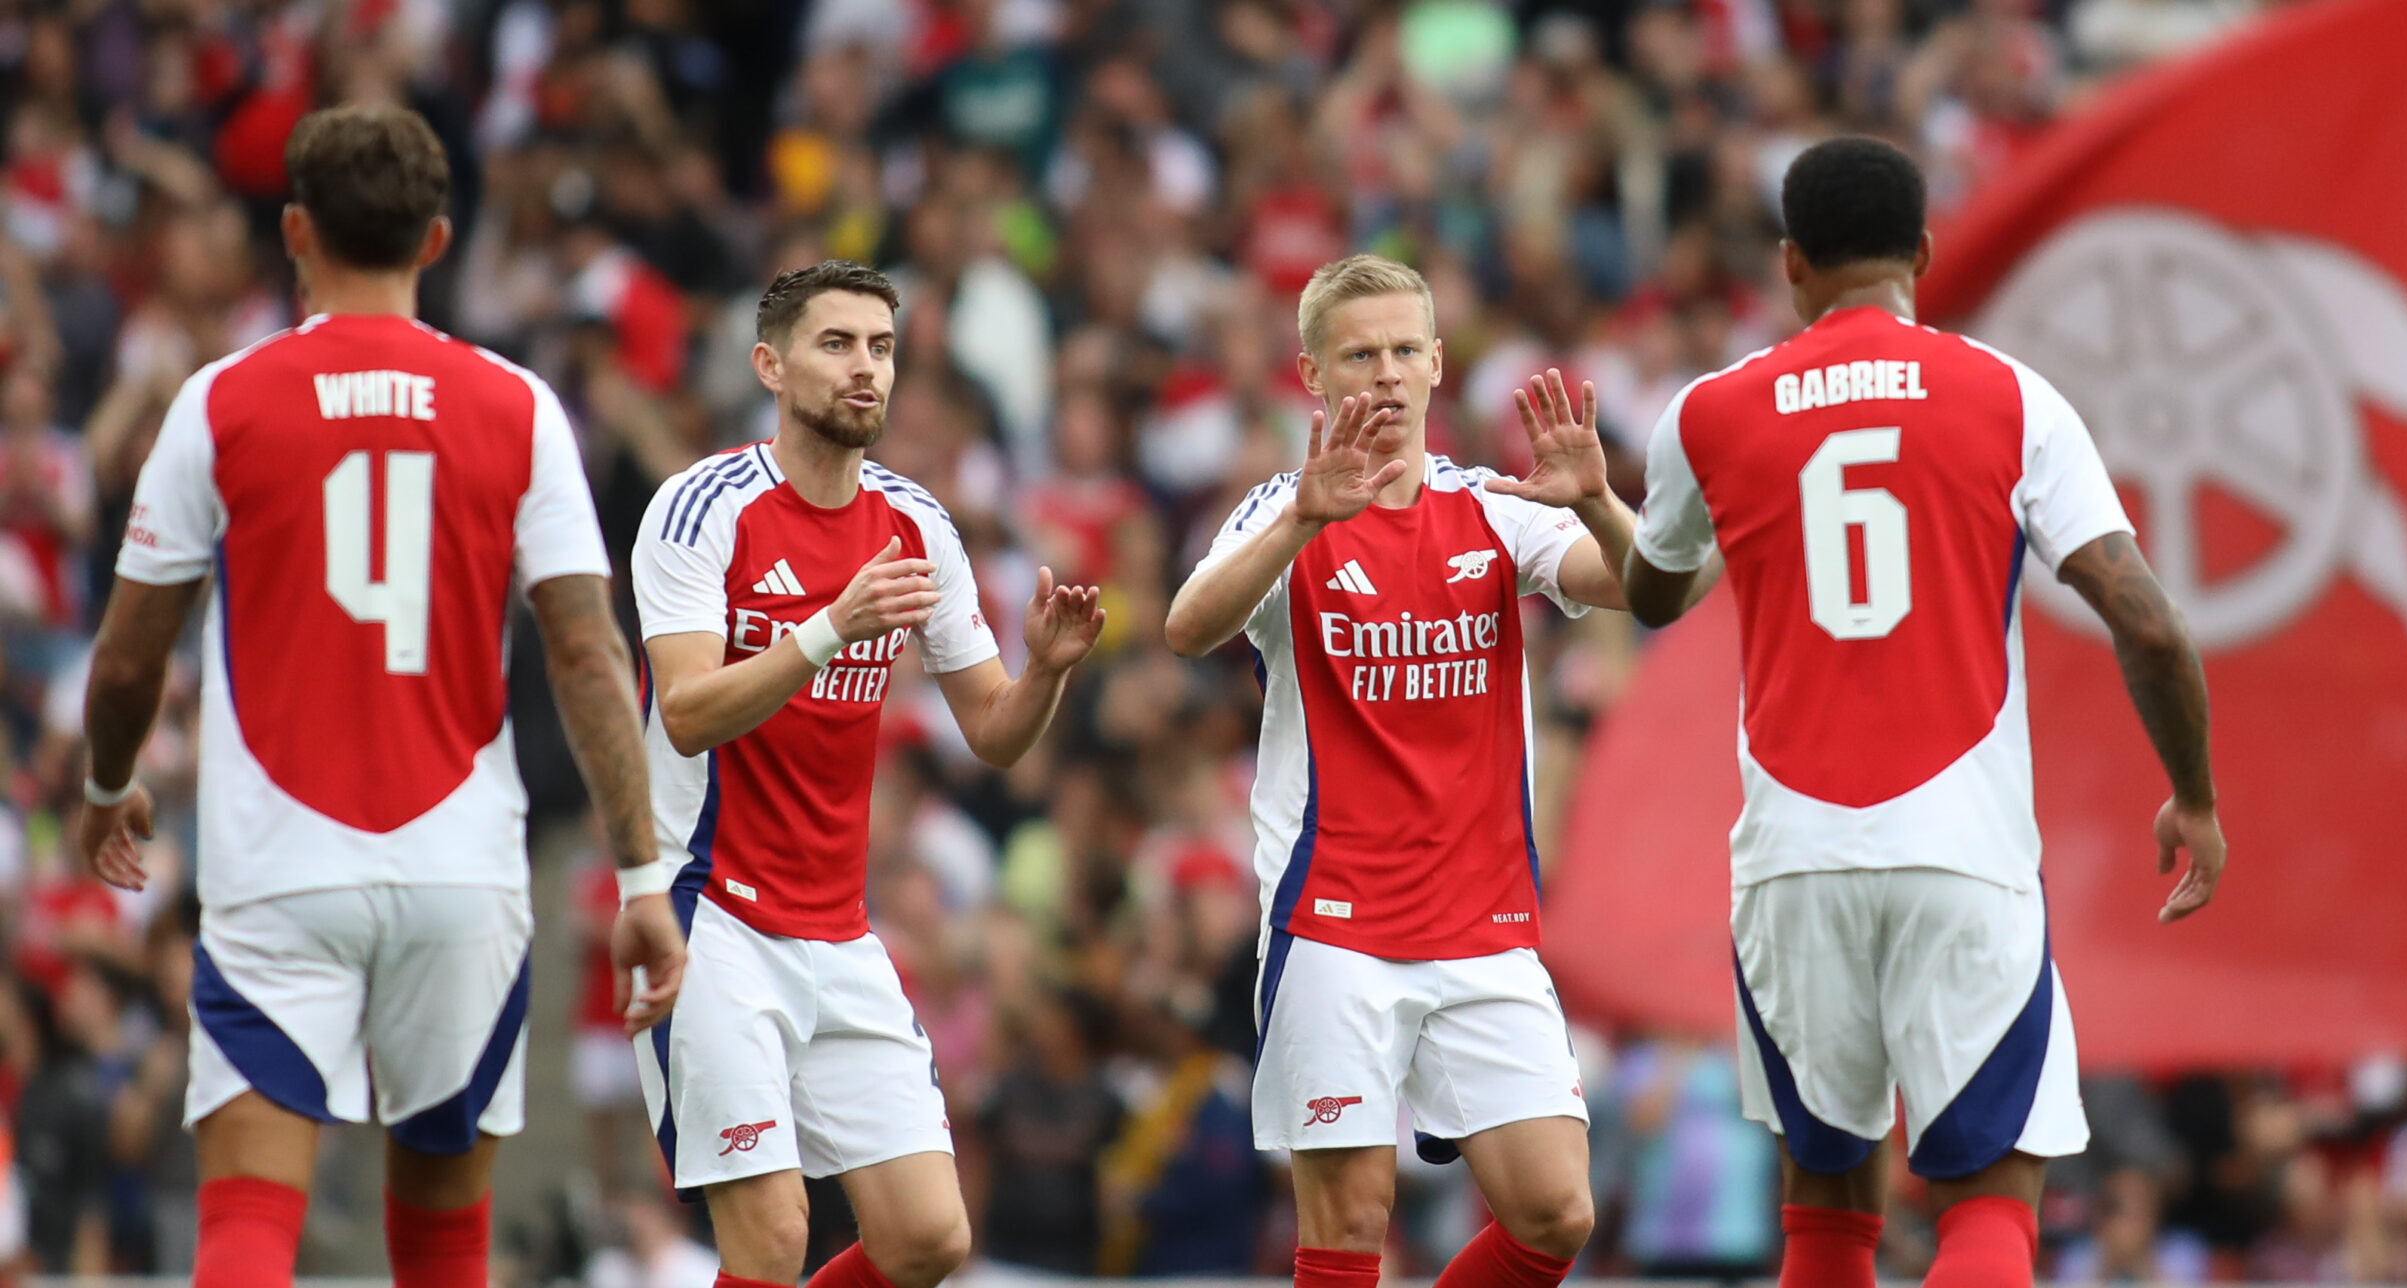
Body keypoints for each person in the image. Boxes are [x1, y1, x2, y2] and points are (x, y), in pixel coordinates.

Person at [74, 104, 687, 1288]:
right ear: (440, 239)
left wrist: (108, 784)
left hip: (280, 863)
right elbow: (589, 658)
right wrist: (643, 874)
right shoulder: (518, 409)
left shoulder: (221, 402)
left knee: (249, 1228)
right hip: (460, 865)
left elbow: (127, 657)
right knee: (446, 1245)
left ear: (294, 230)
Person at [1617, 136, 2227, 1288]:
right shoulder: (2009, 398)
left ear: (1790, 263)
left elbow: (1652, 592)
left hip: (1791, 859)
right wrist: (2193, 794)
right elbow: (2146, 622)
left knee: (1826, 1208)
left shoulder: (1706, 415)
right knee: (1991, 1204)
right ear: (1925, 252)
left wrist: (1613, 511)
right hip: (1960, 849)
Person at [1164, 253, 1638, 1288]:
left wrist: (1601, 502)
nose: (1383, 374)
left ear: (1435, 364)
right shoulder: (1276, 514)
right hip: (1335, 919)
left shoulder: (1491, 510)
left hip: (1482, 923)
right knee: (1348, 1224)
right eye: (1358, 354)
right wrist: (1301, 518)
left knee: (1555, 1211)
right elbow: (1185, 624)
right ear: (1311, 374)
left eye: (1401, 351)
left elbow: (1651, 589)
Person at [629, 258, 1105, 1288]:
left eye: (882, 349)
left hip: (837, 925)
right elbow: (684, 711)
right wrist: (828, 627)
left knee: (929, 1237)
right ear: (770, 363)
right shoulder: (699, 506)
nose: (866, 370)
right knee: (770, 1235)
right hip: (706, 911)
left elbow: (994, 731)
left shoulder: (916, 524)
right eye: (837, 344)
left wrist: (1048, 674)